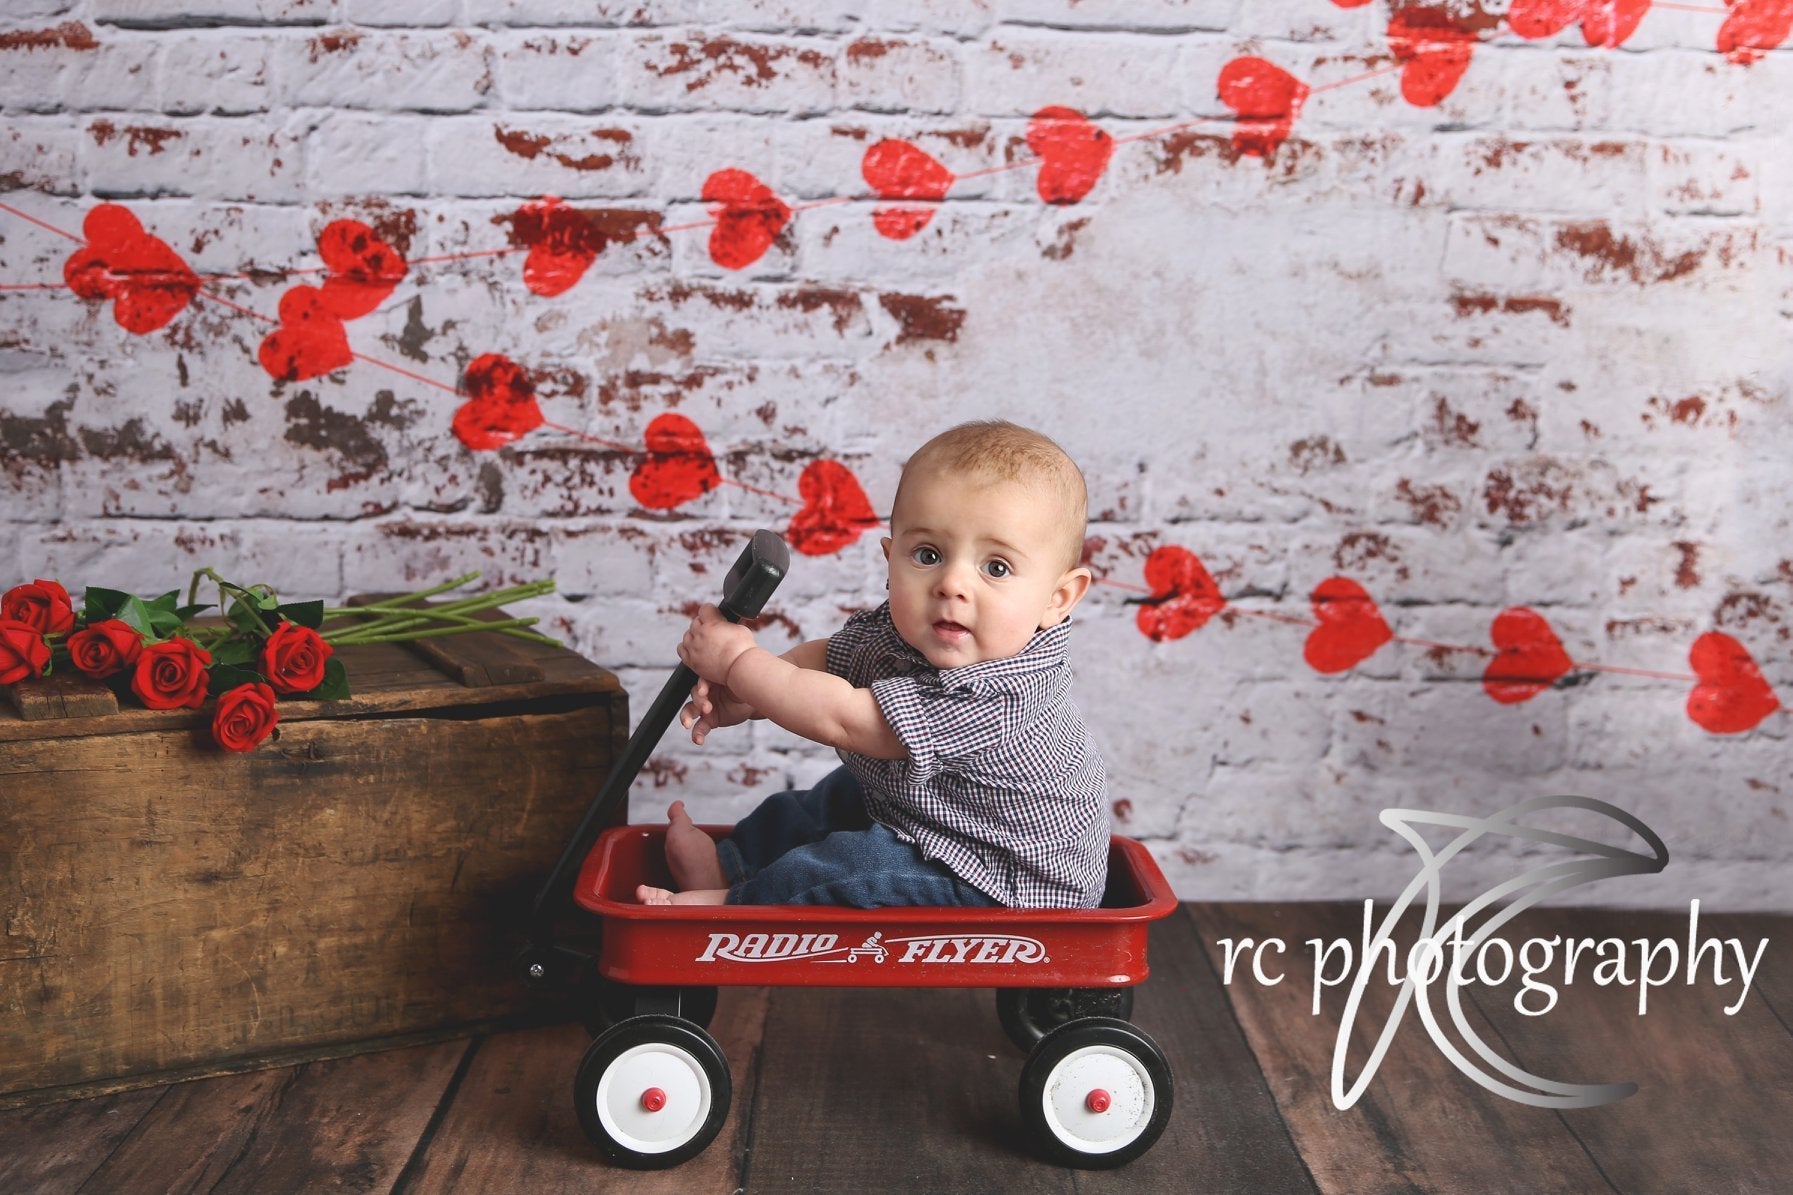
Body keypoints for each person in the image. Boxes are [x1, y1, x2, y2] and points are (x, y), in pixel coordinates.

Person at [636, 419, 1110, 909]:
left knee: (860, 867)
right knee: (832, 798)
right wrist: (748, 699)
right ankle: (729, 866)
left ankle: (730, 906)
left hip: (1001, 879)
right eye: (928, 554)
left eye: (996, 567)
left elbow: (846, 718)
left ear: (1058, 598)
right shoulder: (913, 630)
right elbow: (830, 661)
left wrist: (739, 663)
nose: (951, 584)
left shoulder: (1002, 693)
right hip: (940, 818)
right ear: (890, 560)